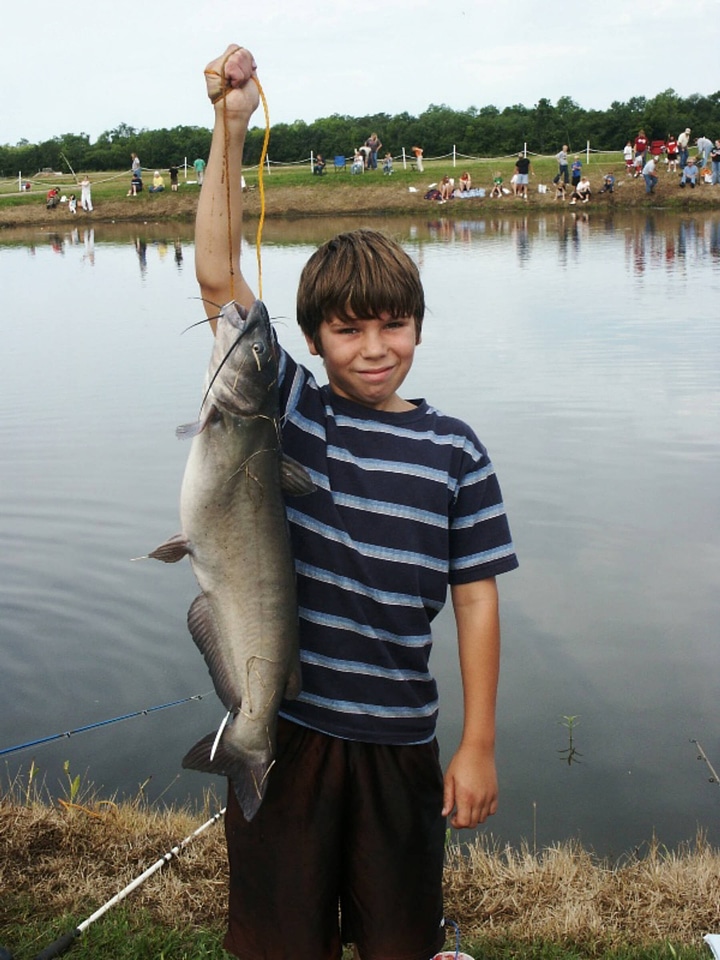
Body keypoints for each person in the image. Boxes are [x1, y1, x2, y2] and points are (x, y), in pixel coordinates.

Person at [195, 43, 518, 960]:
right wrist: (229, 127)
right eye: (347, 330)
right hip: (287, 733)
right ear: (311, 338)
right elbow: (218, 277)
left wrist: (479, 741)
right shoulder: (287, 407)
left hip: (399, 746)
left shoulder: (455, 449)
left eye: (394, 325)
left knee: (399, 939)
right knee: (279, 939)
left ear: (419, 325)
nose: (373, 348)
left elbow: (478, 597)